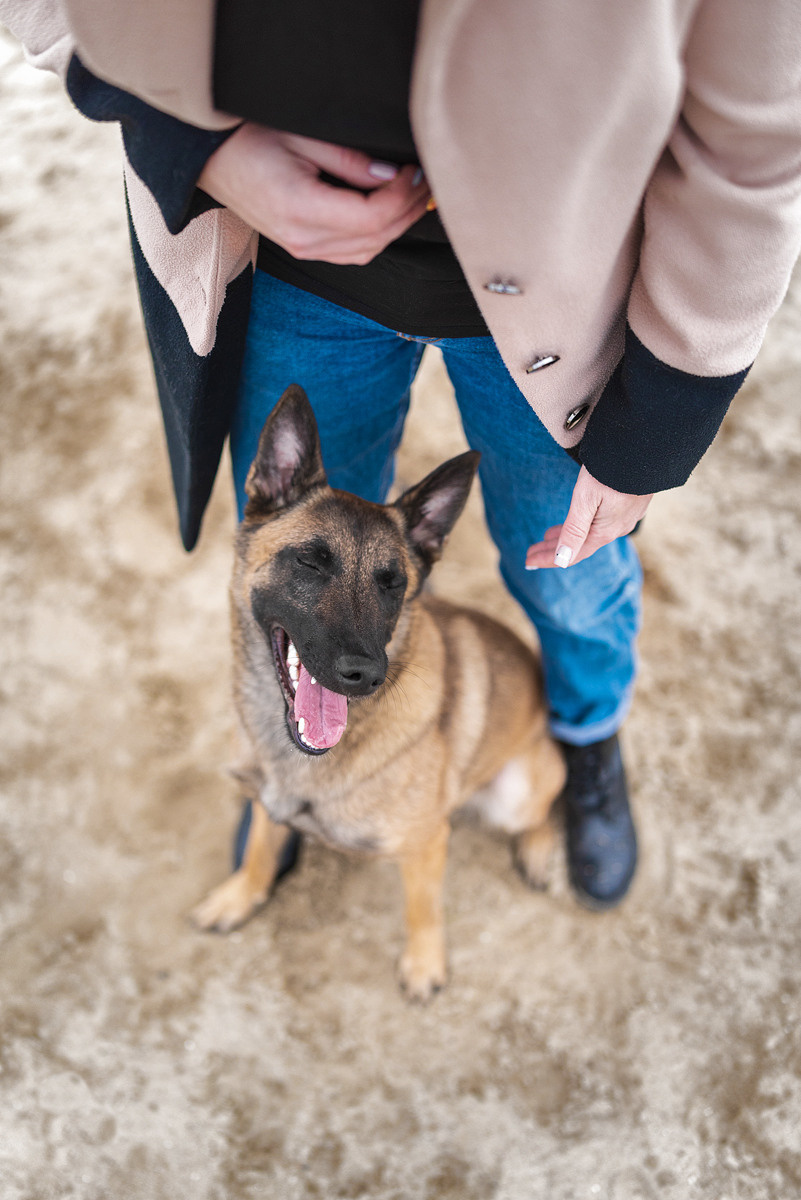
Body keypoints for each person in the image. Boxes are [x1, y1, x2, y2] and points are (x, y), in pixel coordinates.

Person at [4, 0, 800, 909]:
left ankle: (585, 737)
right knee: (294, 561)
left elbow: (754, 145)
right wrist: (196, 146)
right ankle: (292, 762)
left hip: (567, 305)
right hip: (292, 272)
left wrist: (658, 426)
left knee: (568, 572)